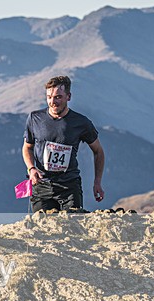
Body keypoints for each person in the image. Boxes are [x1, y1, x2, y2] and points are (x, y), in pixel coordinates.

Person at [22, 75, 106, 211]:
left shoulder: (81, 123)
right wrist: (31, 169)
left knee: (72, 229)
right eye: (49, 97)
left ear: (69, 96)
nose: (53, 101)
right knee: (43, 230)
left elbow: (98, 151)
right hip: (42, 186)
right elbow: (27, 147)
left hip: (69, 187)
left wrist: (97, 182)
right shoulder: (35, 118)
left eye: (58, 97)